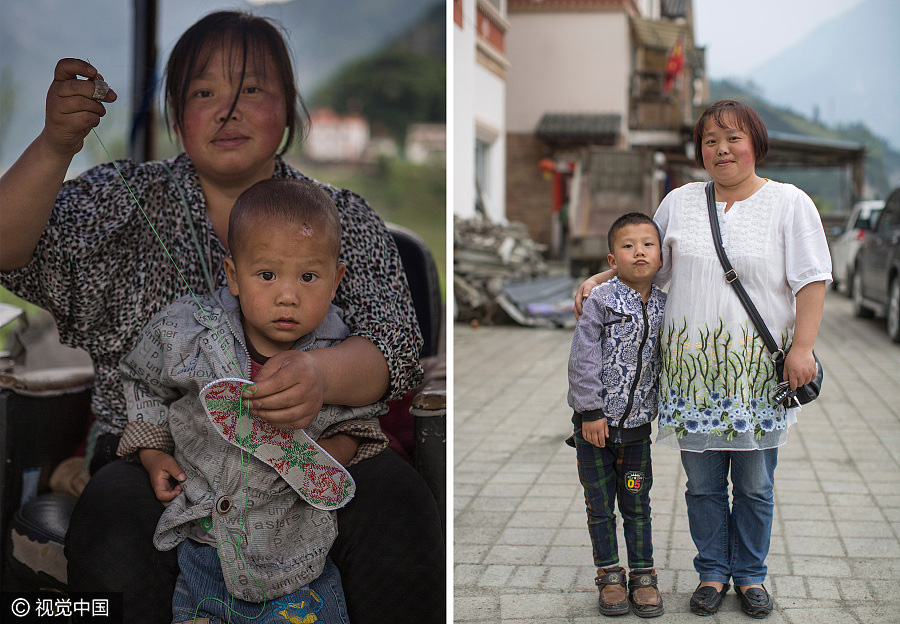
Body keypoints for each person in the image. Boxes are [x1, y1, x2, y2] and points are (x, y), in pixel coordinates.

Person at [0, 11, 443, 624]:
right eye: (203, 92)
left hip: (317, 454)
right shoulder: (118, 200)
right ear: (177, 115)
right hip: (154, 462)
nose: (227, 110)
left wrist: (320, 376)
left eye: (252, 90)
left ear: (289, 108)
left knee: (398, 506)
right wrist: (55, 144)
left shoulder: (342, 215)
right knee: (115, 527)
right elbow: (4, 248)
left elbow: (394, 346)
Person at [575, 100, 830, 619]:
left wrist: (801, 347)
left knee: (756, 484)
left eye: (733, 138)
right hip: (691, 377)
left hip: (756, 375)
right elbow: (648, 261)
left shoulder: (790, 203)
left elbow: (812, 279)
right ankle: (713, 572)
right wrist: (601, 279)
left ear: (755, 143)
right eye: (710, 140)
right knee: (703, 484)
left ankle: (751, 576)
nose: (721, 149)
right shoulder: (681, 201)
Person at [118, 178, 387, 623]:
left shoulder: (340, 351)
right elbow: (142, 381)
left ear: (337, 280)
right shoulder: (187, 333)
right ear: (233, 276)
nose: (288, 295)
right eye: (267, 275)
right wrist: (151, 451)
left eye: (308, 276)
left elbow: (361, 419)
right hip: (205, 548)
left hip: (297, 561)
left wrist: (321, 461)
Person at [567, 212, 666, 618]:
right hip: (595, 428)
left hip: (638, 430)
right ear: (612, 260)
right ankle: (609, 575)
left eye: (648, 244)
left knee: (637, 502)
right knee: (599, 505)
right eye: (628, 246)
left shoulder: (665, 302)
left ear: (661, 256)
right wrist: (589, 411)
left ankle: (643, 576)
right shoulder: (602, 300)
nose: (639, 251)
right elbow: (583, 356)